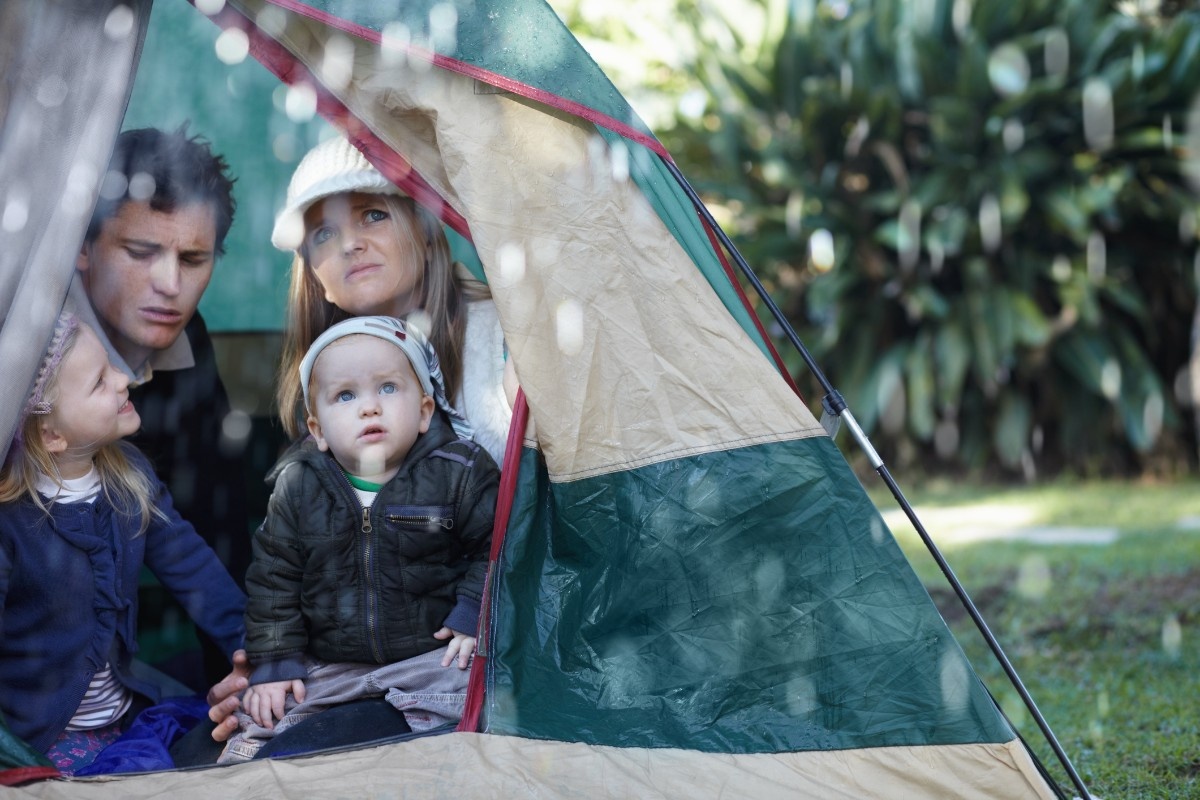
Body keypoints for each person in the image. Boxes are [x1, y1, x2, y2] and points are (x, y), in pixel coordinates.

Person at [217, 316, 499, 762]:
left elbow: (495, 548)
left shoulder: (458, 472)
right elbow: (275, 577)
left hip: (430, 656)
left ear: (425, 411)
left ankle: (433, 740)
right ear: (318, 431)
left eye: (387, 387)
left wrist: (472, 614)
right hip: (331, 663)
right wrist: (276, 658)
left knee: (481, 693)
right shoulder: (299, 486)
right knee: (268, 713)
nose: (369, 407)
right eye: (345, 395)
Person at [0, 313, 245, 775]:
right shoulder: (12, 522)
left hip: (127, 714)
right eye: (98, 382)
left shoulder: (127, 476)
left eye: (113, 363)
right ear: (52, 434)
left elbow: (195, 569)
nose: (124, 378)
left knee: (225, 739)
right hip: (47, 738)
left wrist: (253, 647)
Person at [70, 125, 253, 690]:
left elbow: (212, 526)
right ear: (79, 248)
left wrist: (249, 676)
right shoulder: (25, 347)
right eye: (142, 252)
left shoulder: (186, 339)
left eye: (194, 258)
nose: (170, 285)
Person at [271, 133, 515, 466]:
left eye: (373, 215)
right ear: (317, 280)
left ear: (426, 235)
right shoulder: (319, 381)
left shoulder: (508, 339)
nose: (349, 244)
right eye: (324, 233)